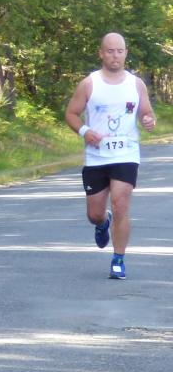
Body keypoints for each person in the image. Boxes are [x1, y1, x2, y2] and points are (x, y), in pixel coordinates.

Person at [64, 32, 156, 280]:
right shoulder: (89, 83)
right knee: (94, 214)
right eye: (110, 51)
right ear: (101, 53)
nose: (115, 56)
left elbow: (146, 113)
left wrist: (148, 120)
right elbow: (71, 114)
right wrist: (85, 131)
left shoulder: (136, 84)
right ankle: (103, 223)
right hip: (97, 157)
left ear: (126, 53)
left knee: (120, 202)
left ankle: (118, 259)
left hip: (126, 154)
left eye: (120, 51)